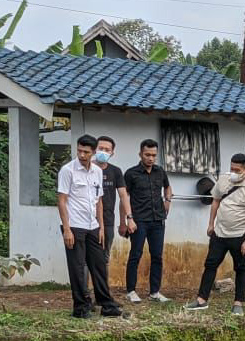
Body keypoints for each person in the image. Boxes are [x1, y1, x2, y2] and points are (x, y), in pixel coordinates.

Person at [184, 154, 245, 315]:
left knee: (240, 268)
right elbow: (215, 201)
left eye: (237, 170)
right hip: (219, 233)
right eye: (231, 168)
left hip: (239, 236)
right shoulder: (223, 180)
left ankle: (238, 303)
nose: (233, 172)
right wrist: (210, 224)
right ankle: (201, 300)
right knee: (210, 265)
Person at [56, 134, 123, 318]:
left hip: (93, 225)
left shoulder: (97, 171)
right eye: (79, 151)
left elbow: (98, 201)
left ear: (93, 152)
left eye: (86, 152)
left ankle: (107, 304)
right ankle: (81, 307)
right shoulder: (67, 170)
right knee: (77, 268)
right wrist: (66, 229)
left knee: (99, 265)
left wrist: (101, 227)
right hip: (74, 226)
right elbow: (61, 201)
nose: (82, 155)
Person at [122, 139, 172, 303]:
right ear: (140, 154)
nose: (151, 158)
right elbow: (124, 197)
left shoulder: (160, 171)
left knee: (157, 256)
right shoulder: (131, 173)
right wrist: (126, 221)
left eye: (154, 155)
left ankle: (155, 292)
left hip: (158, 220)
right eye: (147, 155)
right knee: (135, 255)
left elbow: (167, 187)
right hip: (139, 221)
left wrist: (168, 200)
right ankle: (131, 291)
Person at [95, 136, 134, 263]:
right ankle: (83, 284)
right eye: (101, 148)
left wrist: (129, 218)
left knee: (104, 257)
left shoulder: (115, 171)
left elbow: (123, 196)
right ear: (95, 149)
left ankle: (102, 284)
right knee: (84, 259)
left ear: (112, 153)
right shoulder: (87, 168)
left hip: (107, 220)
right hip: (86, 219)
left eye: (107, 150)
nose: (103, 152)